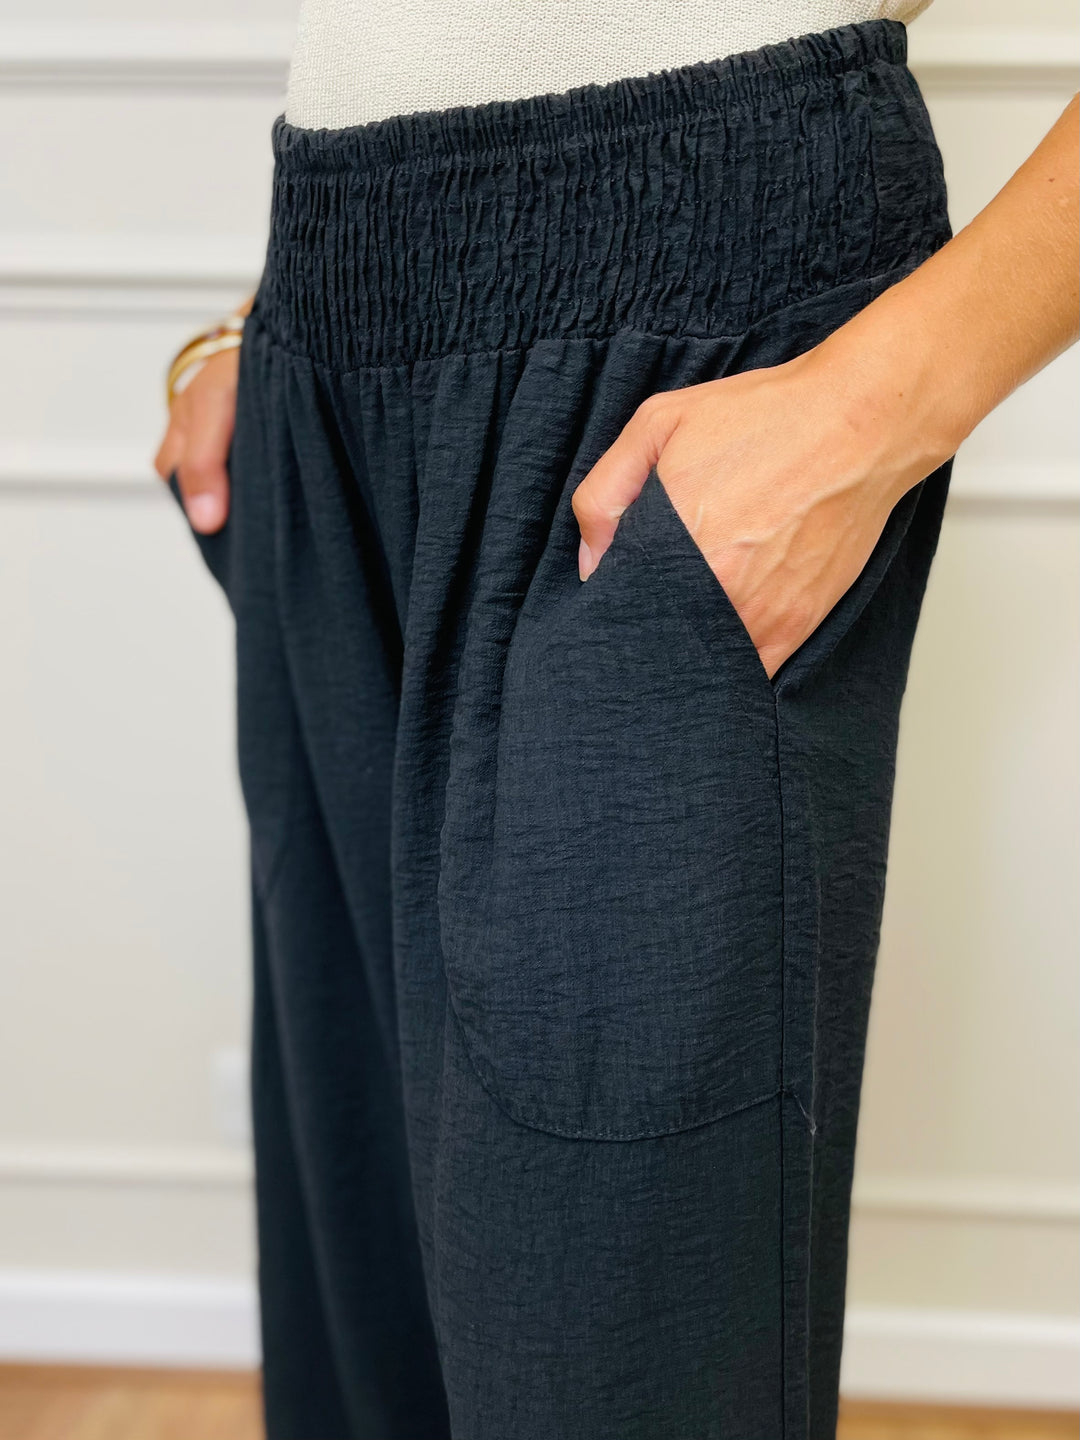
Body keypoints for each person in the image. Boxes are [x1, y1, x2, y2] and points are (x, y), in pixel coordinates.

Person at [154, 5, 1079, 1436]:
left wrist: (869, 415)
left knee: (608, 1354)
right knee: (368, 1339)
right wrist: (269, 301)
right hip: (326, 351)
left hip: (689, 340)